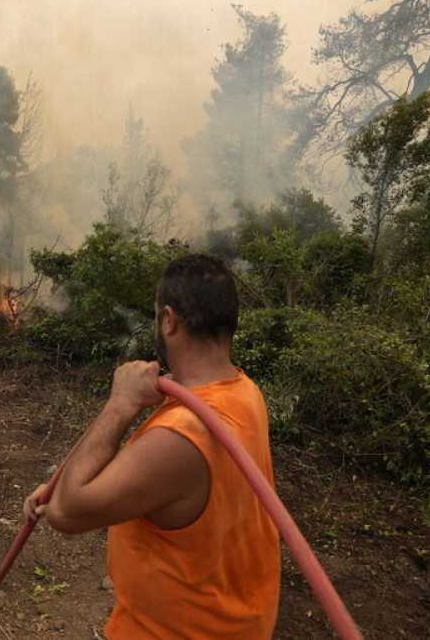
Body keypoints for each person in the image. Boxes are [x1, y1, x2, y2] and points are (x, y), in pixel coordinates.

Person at [23, 254, 280, 639]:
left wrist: (119, 405)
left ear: (169, 321)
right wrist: (67, 485)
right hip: (235, 619)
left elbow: (66, 513)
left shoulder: (182, 435)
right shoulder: (243, 392)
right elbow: (159, 486)